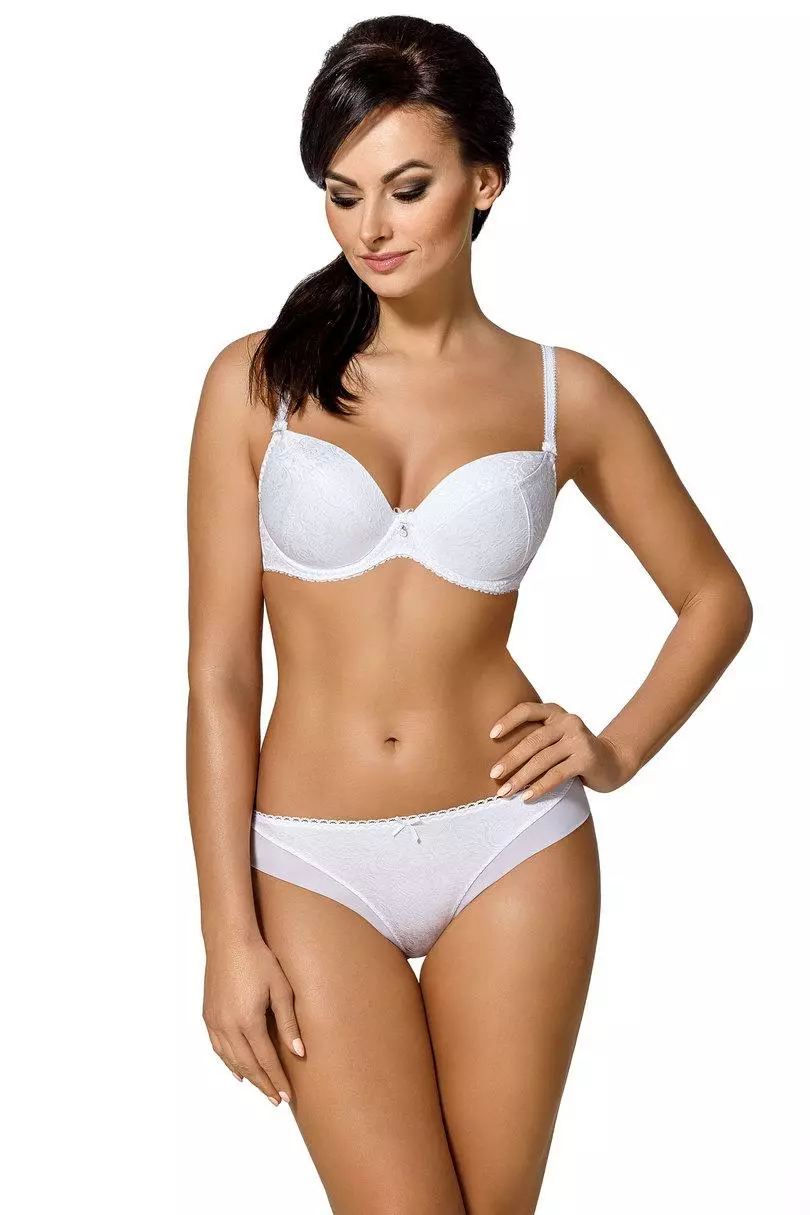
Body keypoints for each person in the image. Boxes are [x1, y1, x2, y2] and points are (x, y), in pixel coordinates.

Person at [185, 15, 753, 1213]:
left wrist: (616, 748)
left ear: (484, 182)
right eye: (342, 194)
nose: (371, 229)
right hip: (310, 857)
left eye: (407, 189)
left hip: (512, 845)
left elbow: (715, 598)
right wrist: (226, 935)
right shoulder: (256, 382)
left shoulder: (563, 394)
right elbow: (221, 676)